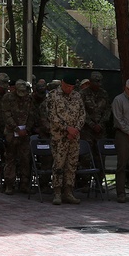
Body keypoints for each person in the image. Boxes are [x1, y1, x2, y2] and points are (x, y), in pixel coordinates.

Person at [49, 74, 85, 205]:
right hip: (60, 138)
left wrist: (76, 129)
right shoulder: (53, 95)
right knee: (59, 164)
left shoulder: (77, 96)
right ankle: (57, 192)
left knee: (72, 164)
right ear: (62, 83)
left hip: (74, 137)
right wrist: (67, 129)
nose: (70, 89)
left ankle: (68, 192)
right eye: (67, 86)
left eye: (72, 87)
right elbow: (52, 116)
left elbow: (82, 114)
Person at [1, 80, 36, 195]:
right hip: (12, 133)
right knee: (10, 159)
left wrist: (27, 129)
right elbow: (7, 115)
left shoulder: (29, 99)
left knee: (26, 159)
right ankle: (9, 185)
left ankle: (24, 184)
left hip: (25, 133)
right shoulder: (8, 98)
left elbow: (32, 115)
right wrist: (16, 129)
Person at [81, 71, 112, 186]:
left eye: (99, 82)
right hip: (87, 131)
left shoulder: (104, 94)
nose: (97, 84)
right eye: (95, 82)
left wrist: (101, 124)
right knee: (86, 157)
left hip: (100, 131)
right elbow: (81, 112)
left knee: (100, 158)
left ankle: (99, 183)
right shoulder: (83, 94)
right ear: (90, 82)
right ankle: (85, 183)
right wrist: (92, 124)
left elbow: (108, 110)